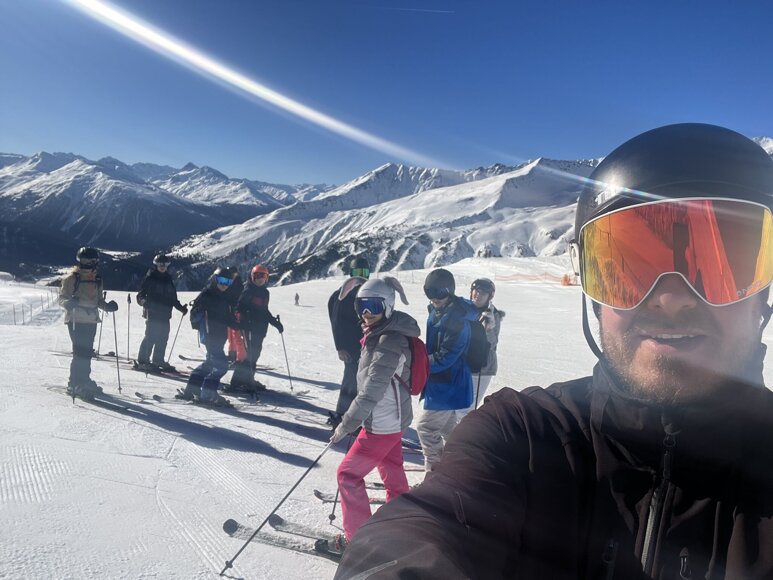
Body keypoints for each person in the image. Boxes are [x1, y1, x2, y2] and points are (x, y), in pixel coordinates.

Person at [336, 123, 773, 579]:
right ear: (593, 293)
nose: (671, 298)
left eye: (721, 265)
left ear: (763, 293)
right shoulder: (525, 437)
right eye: (627, 269)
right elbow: (425, 526)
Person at [325, 277, 420, 555]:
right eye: (361, 306)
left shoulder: (389, 342)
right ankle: (399, 523)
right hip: (394, 420)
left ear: (388, 306)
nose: (366, 313)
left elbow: (370, 392)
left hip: (382, 423)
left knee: (347, 475)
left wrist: (345, 425)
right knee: (392, 470)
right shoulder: (382, 332)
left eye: (373, 306)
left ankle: (359, 543)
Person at [416, 268, 477, 471]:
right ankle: (458, 467)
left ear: (449, 292)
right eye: (429, 292)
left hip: (449, 382)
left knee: (426, 429)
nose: (434, 298)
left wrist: (419, 363)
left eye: (439, 293)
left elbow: (446, 356)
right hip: (442, 381)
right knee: (448, 430)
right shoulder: (438, 310)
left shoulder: (457, 319)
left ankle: (434, 474)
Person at [58, 247, 118, 398]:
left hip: (91, 320)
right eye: (85, 260)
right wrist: (68, 303)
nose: (88, 264)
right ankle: (74, 383)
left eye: (91, 261)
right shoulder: (71, 279)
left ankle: (84, 380)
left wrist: (107, 306)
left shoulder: (97, 279)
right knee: (80, 352)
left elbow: (98, 300)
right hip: (76, 319)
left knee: (87, 352)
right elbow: (62, 298)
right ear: (79, 261)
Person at [178, 267, 239, 404]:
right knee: (221, 365)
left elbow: (227, 317)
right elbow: (194, 315)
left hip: (220, 336)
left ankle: (191, 389)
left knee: (210, 364)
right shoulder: (207, 294)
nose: (224, 284)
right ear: (215, 279)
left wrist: (238, 325)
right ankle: (208, 393)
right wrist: (199, 310)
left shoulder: (225, 296)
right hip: (209, 335)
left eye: (228, 282)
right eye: (221, 280)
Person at [327, 256, 370, 428]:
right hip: (350, 347)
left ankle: (355, 416)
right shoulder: (344, 294)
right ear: (351, 274)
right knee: (351, 380)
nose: (360, 276)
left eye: (364, 272)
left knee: (362, 381)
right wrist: (340, 347)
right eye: (357, 272)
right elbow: (336, 322)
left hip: (364, 346)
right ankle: (341, 414)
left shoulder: (366, 292)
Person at [455, 278, 505, 420]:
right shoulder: (464, 309)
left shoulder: (492, 315)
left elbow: (492, 343)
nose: (478, 295)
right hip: (462, 365)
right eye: (476, 291)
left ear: (490, 296)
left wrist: (489, 329)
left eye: (483, 293)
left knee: (465, 409)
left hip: (481, 368)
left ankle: (466, 433)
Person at [230, 264, 283, 392]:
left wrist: (275, 323)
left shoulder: (265, 292)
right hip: (248, 328)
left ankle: (248, 379)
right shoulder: (248, 290)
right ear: (252, 277)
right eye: (257, 276)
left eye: (263, 276)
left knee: (254, 355)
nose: (260, 279)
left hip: (260, 329)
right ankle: (237, 382)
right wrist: (243, 320)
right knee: (248, 356)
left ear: (267, 278)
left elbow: (264, 311)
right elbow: (239, 308)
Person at [135, 253, 188, 372]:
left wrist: (181, 308)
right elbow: (140, 295)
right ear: (156, 265)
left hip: (165, 314)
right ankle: (143, 362)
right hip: (153, 313)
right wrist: (144, 302)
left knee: (163, 338)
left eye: (165, 264)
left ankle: (158, 360)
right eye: (160, 264)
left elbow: (172, 298)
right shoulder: (151, 278)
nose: (162, 266)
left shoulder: (168, 279)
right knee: (151, 337)